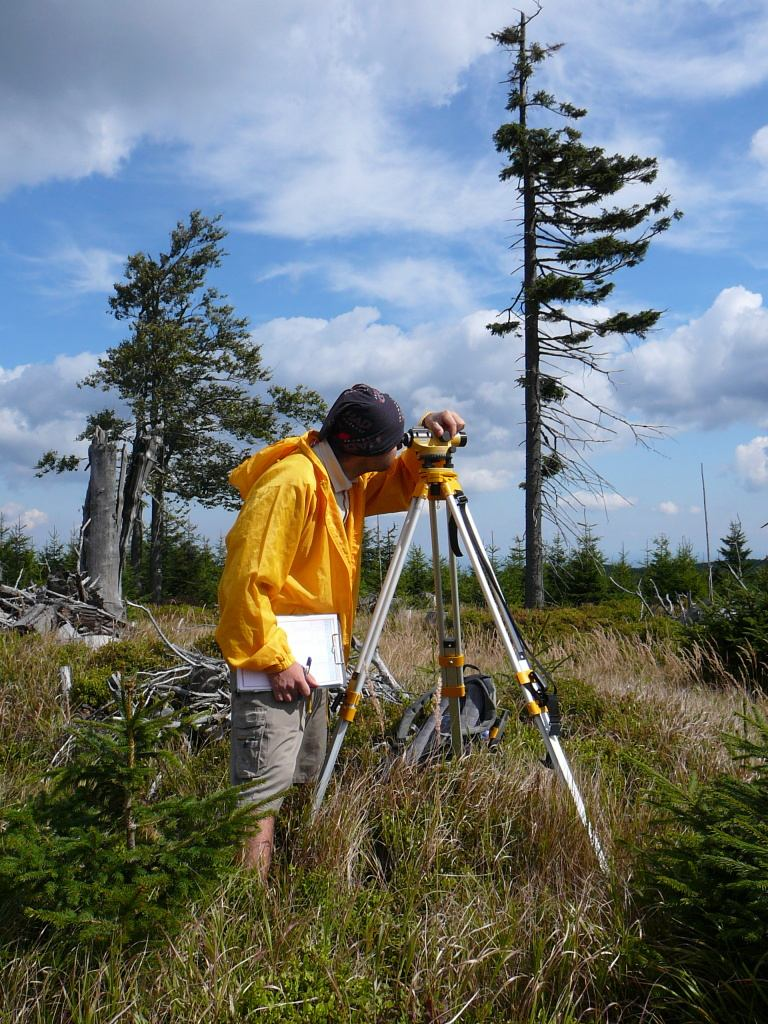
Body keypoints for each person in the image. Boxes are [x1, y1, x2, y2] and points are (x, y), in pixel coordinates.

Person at [216, 383, 464, 878]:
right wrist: (274, 659)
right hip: (279, 664)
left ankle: (280, 878)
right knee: (260, 791)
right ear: (360, 446)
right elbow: (244, 581)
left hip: (311, 660)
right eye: (397, 441)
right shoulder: (292, 484)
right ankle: (245, 912)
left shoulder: (343, 480)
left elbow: (397, 482)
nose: (402, 449)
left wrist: (430, 438)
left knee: (295, 776)